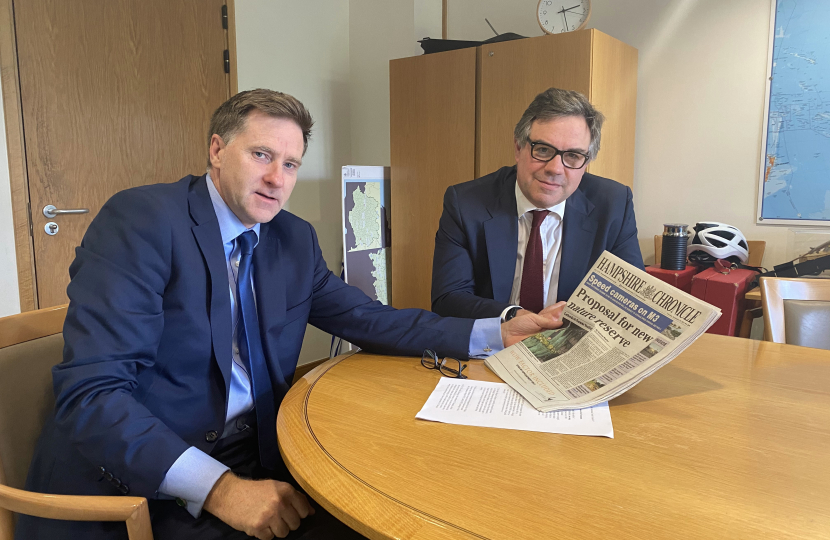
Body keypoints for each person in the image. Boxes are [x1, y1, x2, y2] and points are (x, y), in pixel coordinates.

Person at [17, 89, 565, 540]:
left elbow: (369, 319)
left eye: (291, 163)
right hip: (143, 487)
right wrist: (220, 489)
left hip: (257, 452)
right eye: (261, 155)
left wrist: (496, 329)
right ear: (216, 149)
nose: (277, 178)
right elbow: (94, 396)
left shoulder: (291, 239)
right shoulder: (142, 221)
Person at [431, 88, 643, 322]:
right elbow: (448, 299)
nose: (555, 168)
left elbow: (631, 303)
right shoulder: (466, 203)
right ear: (518, 148)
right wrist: (515, 316)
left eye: (572, 156)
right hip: (495, 344)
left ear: (586, 162)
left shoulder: (613, 205)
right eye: (543, 150)